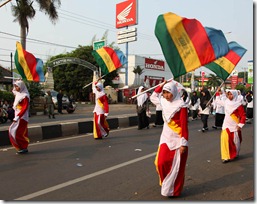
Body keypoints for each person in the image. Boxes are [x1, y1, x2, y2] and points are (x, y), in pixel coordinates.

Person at [150, 80, 188, 197]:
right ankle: (166, 182)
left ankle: (174, 190)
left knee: (176, 166)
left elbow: (183, 125)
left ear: (174, 92)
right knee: (160, 162)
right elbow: (153, 97)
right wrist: (161, 85)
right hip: (165, 138)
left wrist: (183, 144)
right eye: (164, 93)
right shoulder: (163, 102)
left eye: (168, 93)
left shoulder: (181, 105)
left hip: (177, 140)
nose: (166, 95)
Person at [217, 90, 246, 163]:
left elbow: (243, 115)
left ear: (235, 95)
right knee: (224, 140)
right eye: (228, 94)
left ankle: (235, 153)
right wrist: (217, 93)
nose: (230, 96)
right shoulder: (226, 102)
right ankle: (226, 156)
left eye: (231, 95)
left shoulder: (238, 105)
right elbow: (218, 101)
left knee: (236, 142)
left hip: (235, 126)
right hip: (226, 125)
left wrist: (240, 125)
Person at [8, 80, 30, 154]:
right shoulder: (18, 94)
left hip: (22, 117)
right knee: (14, 131)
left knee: (19, 132)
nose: (15, 88)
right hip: (17, 116)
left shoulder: (25, 96)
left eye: (17, 86)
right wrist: (15, 80)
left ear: (21, 87)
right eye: (15, 86)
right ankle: (21, 146)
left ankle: (24, 147)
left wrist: (17, 117)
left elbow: (24, 108)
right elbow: (13, 90)